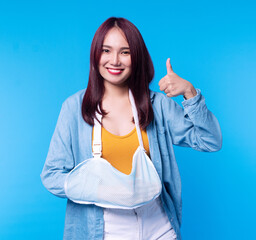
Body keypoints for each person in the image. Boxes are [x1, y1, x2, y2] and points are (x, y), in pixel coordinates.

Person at [40, 17, 222, 240]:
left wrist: (190, 93)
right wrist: (97, 188)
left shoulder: (157, 105)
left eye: (125, 52)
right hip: (105, 229)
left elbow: (210, 140)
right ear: (95, 54)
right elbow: (51, 176)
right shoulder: (73, 109)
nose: (114, 60)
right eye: (106, 50)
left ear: (137, 57)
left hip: (159, 226)